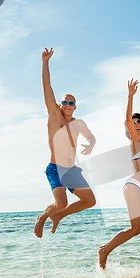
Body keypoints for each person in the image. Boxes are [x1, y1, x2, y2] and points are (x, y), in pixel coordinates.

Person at [34, 48, 97, 238]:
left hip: (71, 170)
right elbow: (47, 87)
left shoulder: (79, 124)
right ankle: (44, 216)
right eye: (65, 103)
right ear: (60, 105)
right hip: (55, 168)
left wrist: (91, 144)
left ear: (75, 107)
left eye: (71, 103)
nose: (68, 106)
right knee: (60, 202)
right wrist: (45, 62)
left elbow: (91, 137)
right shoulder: (54, 117)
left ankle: (59, 216)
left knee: (90, 201)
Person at [98, 79, 140, 269]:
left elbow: (139, 126)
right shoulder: (135, 140)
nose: (137, 124)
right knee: (135, 228)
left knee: (136, 229)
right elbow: (126, 120)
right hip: (134, 186)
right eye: (134, 123)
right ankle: (104, 250)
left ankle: (105, 249)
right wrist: (130, 96)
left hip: (136, 188)